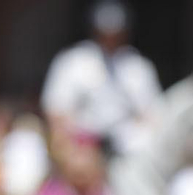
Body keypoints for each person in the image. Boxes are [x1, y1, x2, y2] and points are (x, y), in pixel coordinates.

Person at [40, 1, 162, 156]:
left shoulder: (138, 66)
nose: (110, 38)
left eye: (116, 33)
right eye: (105, 32)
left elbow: (153, 114)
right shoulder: (73, 61)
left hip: (127, 150)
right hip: (82, 146)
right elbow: (55, 110)